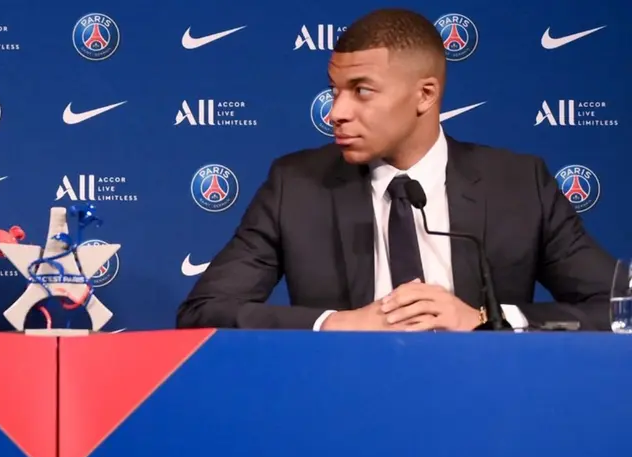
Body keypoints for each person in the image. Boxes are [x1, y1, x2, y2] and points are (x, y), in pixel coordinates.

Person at [176, 8, 616, 332]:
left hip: (485, 403)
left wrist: (486, 320)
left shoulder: (520, 184)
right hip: (345, 404)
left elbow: (618, 307)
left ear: (425, 95)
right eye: (335, 91)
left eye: (361, 91)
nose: (337, 112)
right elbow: (204, 311)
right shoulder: (295, 185)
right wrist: (338, 324)